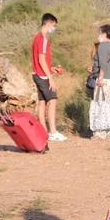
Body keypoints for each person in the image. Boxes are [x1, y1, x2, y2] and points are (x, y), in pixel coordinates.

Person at [30, 13, 67, 142]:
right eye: (54, 25)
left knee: (42, 102)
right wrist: (50, 77)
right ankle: (53, 132)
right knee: (52, 100)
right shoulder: (43, 38)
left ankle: (43, 131)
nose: (54, 28)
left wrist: (52, 68)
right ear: (49, 23)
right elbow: (41, 59)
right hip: (43, 76)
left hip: (37, 74)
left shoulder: (36, 37)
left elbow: (41, 60)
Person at [87, 24, 110, 139]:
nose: (98, 35)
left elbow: (103, 63)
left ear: (105, 34)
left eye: (100, 32)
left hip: (104, 79)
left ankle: (99, 133)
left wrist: (100, 77)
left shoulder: (102, 46)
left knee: (100, 105)